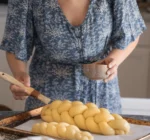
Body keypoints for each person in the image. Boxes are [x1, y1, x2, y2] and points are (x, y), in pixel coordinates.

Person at [0, 0, 146, 113]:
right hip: (46, 101)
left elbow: (131, 32)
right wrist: (19, 75)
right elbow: (16, 42)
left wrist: (114, 60)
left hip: (101, 98)